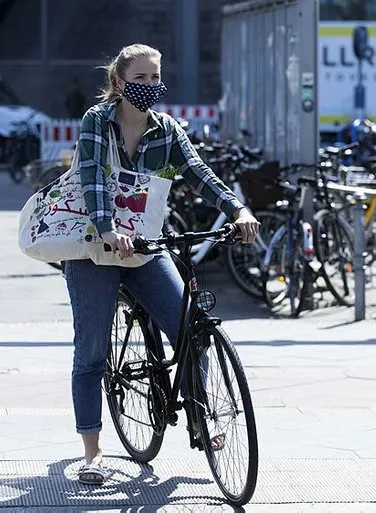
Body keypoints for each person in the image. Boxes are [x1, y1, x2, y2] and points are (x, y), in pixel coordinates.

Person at [64, 43, 260, 485]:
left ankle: (202, 416)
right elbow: (92, 177)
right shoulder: (97, 122)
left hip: (146, 247)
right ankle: (92, 453)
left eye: (156, 77)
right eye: (141, 79)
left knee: (193, 329)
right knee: (92, 351)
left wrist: (236, 209)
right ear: (119, 82)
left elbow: (198, 172)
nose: (151, 86)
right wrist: (108, 227)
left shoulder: (166, 129)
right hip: (94, 247)